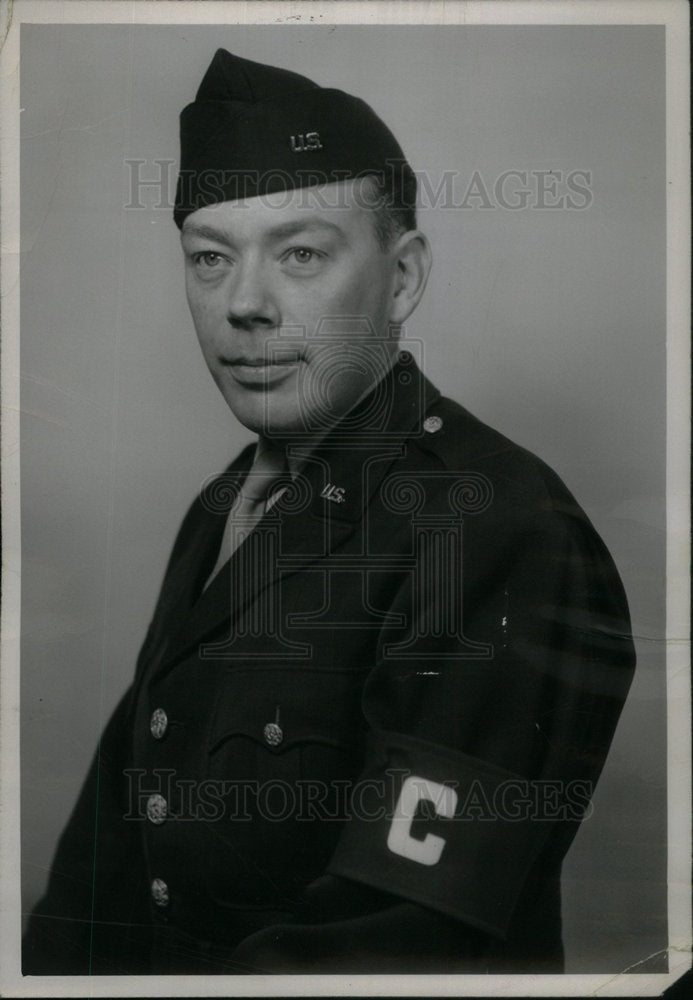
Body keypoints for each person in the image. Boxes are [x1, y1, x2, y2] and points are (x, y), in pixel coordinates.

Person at [23, 47, 635, 976]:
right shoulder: (227, 505)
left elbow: (397, 942)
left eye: (301, 254)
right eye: (209, 258)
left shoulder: (492, 528)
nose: (244, 305)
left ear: (401, 279)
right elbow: (99, 877)